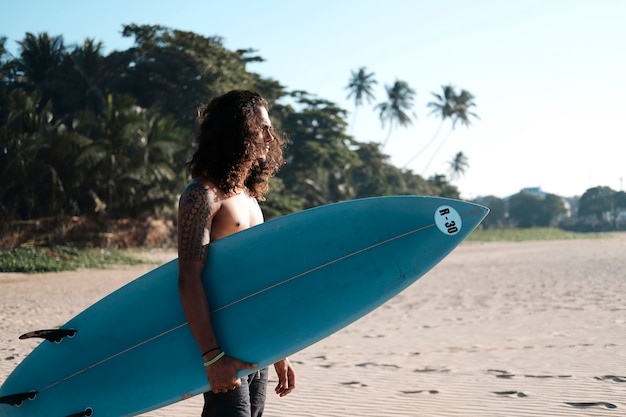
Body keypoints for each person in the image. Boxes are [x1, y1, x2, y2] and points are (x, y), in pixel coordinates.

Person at [177, 90, 296, 417]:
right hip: (223, 345)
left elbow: (258, 280)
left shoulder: (248, 197)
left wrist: (278, 351)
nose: (271, 137)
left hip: (257, 342)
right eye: (262, 128)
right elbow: (189, 281)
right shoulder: (202, 196)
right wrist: (212, 357)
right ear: (236, 133)